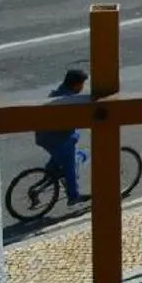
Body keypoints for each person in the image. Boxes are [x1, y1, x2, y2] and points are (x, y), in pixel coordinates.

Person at [36, 68, 89, 204]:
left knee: (61, 159)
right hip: (58, 139)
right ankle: (74, 197)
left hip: (44, 137)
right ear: (76, 85)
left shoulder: (58, 92)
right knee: (71, 165)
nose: (83, 87)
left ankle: (49, 174)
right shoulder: (69, 101)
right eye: (82, 84)